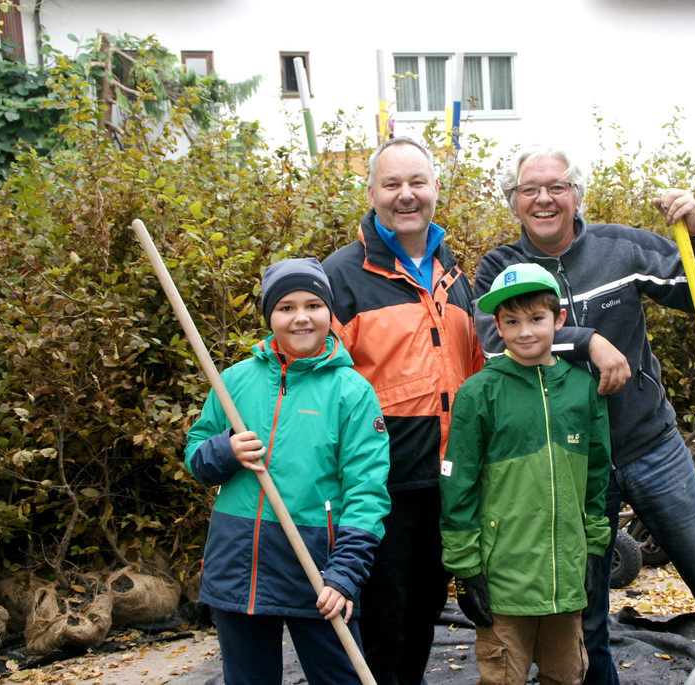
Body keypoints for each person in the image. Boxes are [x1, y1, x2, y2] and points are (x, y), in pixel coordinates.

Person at [473, 145, 695, 685]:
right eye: (530, 189)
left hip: (650, 444)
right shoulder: (501, 268)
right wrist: (587, 340)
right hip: (570, 462)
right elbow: (496, 345)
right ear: (514, 201)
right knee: (586, 604)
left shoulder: (622, 248)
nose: (544, 198)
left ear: (576, 195)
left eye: (558, 186)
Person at [321, 136, 484, 685]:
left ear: (436, 189)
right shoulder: (342, 276)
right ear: (371, 192)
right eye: (392, 184)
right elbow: (319, 385)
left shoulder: (455, 276)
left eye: (417, 182)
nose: (406, 195)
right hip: (377, 489)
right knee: (379, 625)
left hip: (446, 482)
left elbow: (478, 373)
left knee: (422, 618)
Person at [183, 257, 391, 685]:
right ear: (270, 316)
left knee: (340, 678)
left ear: (329, 312)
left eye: (313, 304)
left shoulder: (351, 392)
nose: (301, 318)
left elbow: (367, 493)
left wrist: (345, 573)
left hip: (317, 570)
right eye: (286, 307)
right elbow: (196, 460)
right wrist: (225, 449)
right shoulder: (234, 380)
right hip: (237, 563)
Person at [440, 263, 611, 685]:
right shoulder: (479, 392)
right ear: (496, 325)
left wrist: (593, 548)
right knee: (501, 678)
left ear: (559, 320)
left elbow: (596, 476)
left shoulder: (582, 389)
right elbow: (457, 484)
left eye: (536, 318)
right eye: (511, 321)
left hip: (564, 579)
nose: (525, 332)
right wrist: (465, 568)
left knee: (567, 674)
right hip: (503, 579)